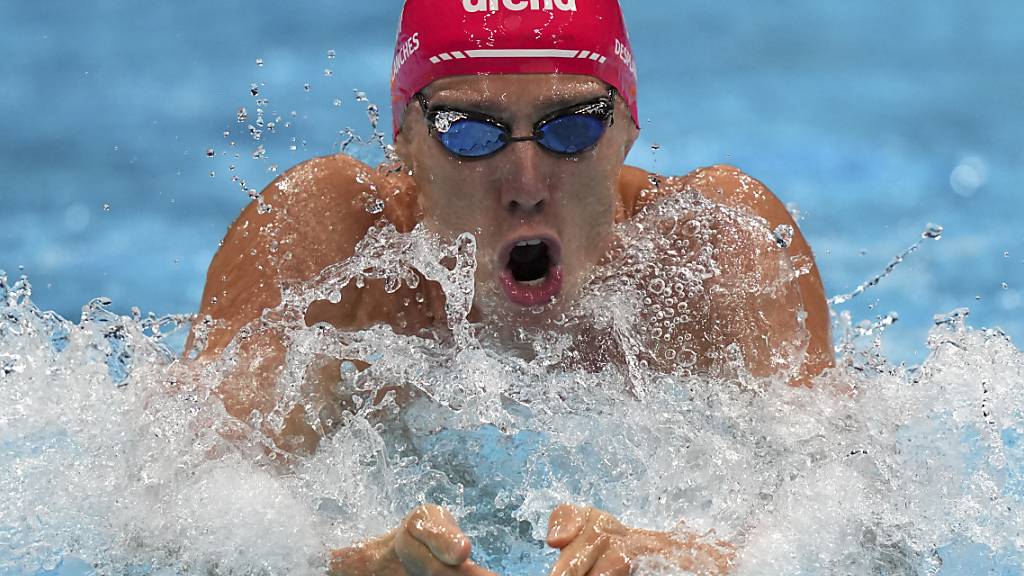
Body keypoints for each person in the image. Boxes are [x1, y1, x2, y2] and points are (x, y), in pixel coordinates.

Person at [191, 1, 833, 574]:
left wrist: (693, 561)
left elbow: (855, 511)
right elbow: (169, 510)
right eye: (470, 132)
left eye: (572, 126)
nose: (526, 182)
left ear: (628, 127)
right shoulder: (328, 248)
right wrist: (348, 568)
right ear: (407, 141)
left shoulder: (715, 248)